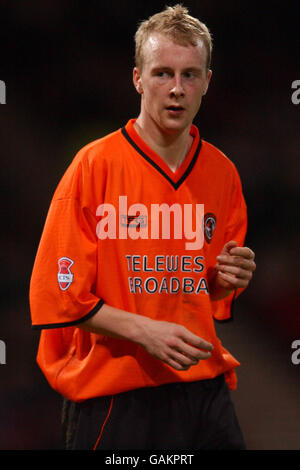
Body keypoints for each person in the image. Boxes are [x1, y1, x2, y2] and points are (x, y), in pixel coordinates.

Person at [30, 4, 256, 450]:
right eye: (162, 74)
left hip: (203, 390)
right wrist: (146, 331)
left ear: (207, 82)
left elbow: (211, 296)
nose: (176, 89)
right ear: (137, 78)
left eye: (190, 75)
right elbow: (58, 295)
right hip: (115, 395)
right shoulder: (93, 166)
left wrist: (227, 281)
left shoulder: (222, 172)